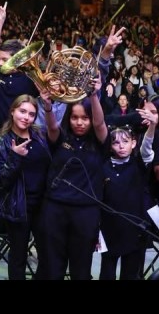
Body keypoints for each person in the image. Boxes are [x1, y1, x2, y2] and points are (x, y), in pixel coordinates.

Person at [39, 76, 107, 280]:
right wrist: (48, 106)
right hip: (55, 209)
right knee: (52, 268)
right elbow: (52, 128)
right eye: (75, 117)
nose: (79, 122)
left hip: (86, 212)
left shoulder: (100, 142)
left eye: (84, 118)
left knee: (81, 269)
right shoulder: (61, 138)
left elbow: (100, 123)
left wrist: (94, 95)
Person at [0, 94, 51, 280]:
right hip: (17, 208)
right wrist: (15, 157)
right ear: (12, 111)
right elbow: (1, 183)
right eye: (22, 111)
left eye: (31, 114)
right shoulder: (1, 142)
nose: (26, 117)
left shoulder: (40, 135)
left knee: (49, 257)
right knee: (18, 258)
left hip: (43, 206)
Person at [100, 116, 157, 280]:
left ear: (133, 143)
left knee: (131, 274)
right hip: (109, 229)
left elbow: (147, 146)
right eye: (116, 143)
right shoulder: (103, 166)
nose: (121, 146)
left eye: (125, 142)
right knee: (107, 274)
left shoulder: (139, 163)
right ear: (110, 146)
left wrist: (152, 126)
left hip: (134, 229)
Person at [0, 3, 39, 142]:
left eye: (5, 60)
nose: (0, 63)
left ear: (17, 59)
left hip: (15, 136)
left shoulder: (29, 79)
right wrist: (0, 21)